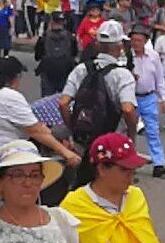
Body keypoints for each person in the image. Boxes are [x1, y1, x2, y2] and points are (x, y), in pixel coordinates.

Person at [0, 56, 83, 211]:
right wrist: (66, 152)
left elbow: (34, 127)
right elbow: (36, 131)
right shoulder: (10, 97)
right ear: (16, 77)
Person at [59, 21, 139, 189]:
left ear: (97, 44)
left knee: (81, 186)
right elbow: (127, 109)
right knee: (110, 188)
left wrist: (73, 129)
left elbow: (63, 103)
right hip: (111, 142)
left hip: (83, 140)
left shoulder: (81, 69)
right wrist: (131, 135)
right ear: (120, 46)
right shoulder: (122, 75)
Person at [128, 26, 165, 177]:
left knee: (152, 131)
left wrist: (163, 98)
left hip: (149, 97)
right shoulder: (127, 56)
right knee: (129, 131)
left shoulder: (153, 56)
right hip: (131, 98)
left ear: (145, 41)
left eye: (139, 40)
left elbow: (159, 78)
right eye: (133, 40)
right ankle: (128, 162)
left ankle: (158, 163)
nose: (136, 43)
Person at [35, 14, 80, 99]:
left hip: (48, 71)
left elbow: (37, 56)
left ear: (51, 23)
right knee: (64, 99)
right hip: (66, 71)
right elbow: (74, 53)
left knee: (46, 100)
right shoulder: (70, 37)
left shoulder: (44, 37)